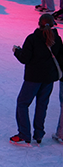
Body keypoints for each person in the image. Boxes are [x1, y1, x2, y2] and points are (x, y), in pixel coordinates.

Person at [11, 13, 63, 145]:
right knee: (42, 105)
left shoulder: (33, 39)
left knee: (22, 103)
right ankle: (38, 134)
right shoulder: (57, 39)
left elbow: (24, 58)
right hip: (49, 79)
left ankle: (24, 134)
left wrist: (17, 51)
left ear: (39, 24)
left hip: (33, 78)